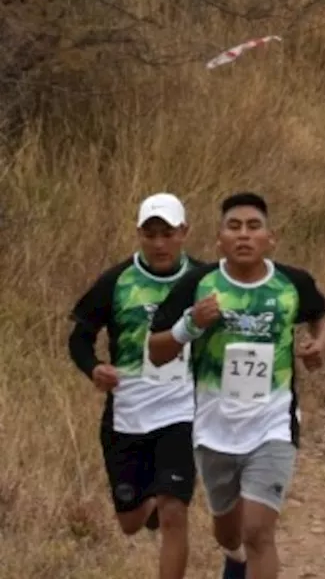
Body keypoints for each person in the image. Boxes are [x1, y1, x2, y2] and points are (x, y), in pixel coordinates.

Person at [147, 192, 325, 579]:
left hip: (273, 424)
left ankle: (245, 556)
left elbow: (321, 312)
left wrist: (319, 343)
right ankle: (233, 559)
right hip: (215, 427)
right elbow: (157, 349)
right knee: (228, 532)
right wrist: (191, 324)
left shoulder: (291, 284)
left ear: (271, 238)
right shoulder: (198, 284)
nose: (244, 235)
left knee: (258, 532)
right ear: (219, 239)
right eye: (234, 227)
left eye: (253, 227)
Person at [68, 193, 203, 579]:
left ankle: (166, 497)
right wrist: (94, 368)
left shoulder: (204, 279)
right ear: (139, 235)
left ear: (184, 233)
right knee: (129, 522)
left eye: (168, 234)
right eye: (151, 234)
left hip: (182, 407)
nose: (159, 244)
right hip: (128, 409)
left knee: (175, 509)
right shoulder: (117, 280)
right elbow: (79, 337)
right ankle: (152, 503)